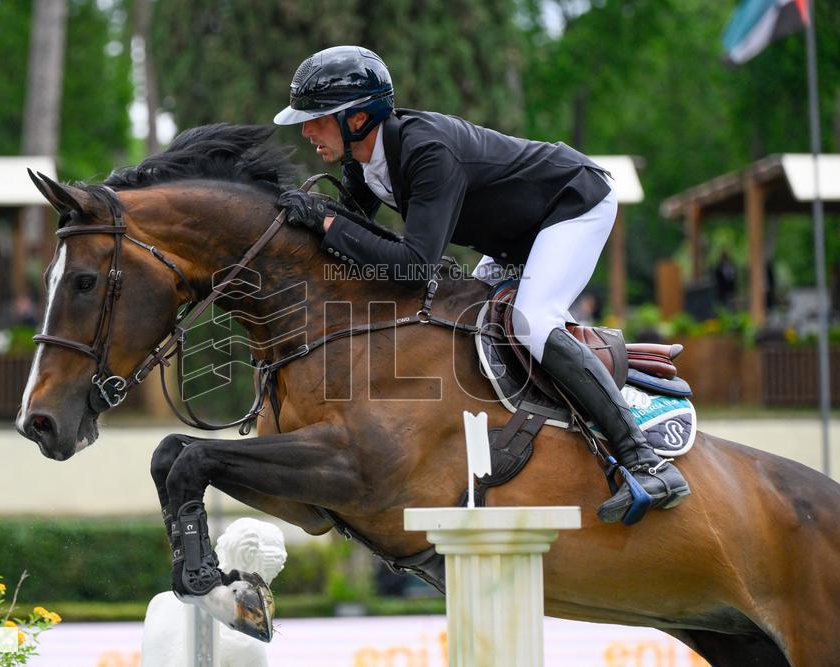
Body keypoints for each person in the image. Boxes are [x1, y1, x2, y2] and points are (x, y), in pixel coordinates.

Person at [273, 45, 689, 523]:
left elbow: (412, 265)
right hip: (516, 236)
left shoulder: (426, 151)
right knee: (459, 321)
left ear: (359, 119)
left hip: (573, 204)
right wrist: (305, 223)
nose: (306, 131)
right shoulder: (364, 162)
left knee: (531, 322)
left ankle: (646, 461)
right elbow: (355, 239)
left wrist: (328, 224)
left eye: (318, 119)